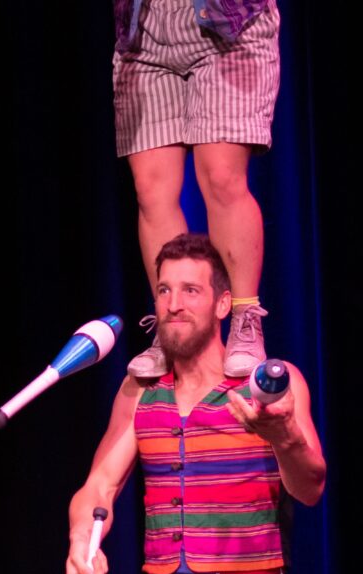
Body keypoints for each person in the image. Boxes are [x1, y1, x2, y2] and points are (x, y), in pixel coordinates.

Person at [65, 233, 325, 574]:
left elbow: (311, 488)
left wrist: (282, 435)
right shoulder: (140, 392)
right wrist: (79, 541)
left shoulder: (269, 385)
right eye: (164, 290)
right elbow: (98, 487)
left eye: (191, 291)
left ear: (224, 305)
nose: (173, 304)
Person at [112, 0, 282, 379]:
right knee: (150, 189)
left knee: (222, 177)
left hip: (227, 27)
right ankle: (171, 324)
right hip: (146, 33)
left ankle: (244, 317)